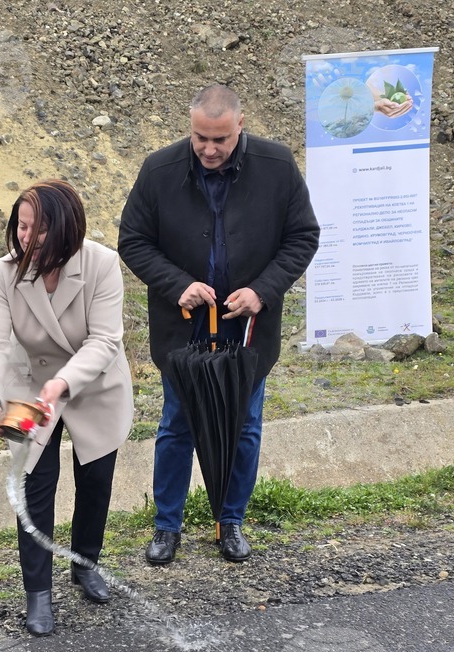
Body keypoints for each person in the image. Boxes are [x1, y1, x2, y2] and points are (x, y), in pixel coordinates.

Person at [118, 84, 320, 565]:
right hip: (182, 325)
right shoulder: (159, 169)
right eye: (200, 138)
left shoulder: (277, 165)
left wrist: (263, 291)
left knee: (244, 426)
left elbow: (303, 236)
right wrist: (176, 284)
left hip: (248, 328)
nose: (209, 149)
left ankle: (230, 522)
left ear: (240, 126)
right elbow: (134, 239)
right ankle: (167, 526)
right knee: (176, 426)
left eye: (220, 140)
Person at [0, 179, 133, 636]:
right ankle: (37, 594)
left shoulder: (102, 264)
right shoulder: (3, 272)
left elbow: (105, 340)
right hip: (28, 384)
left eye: (37, 230)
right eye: (21, 226)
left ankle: (85, 564)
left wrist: (64, 382)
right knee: (34, 484)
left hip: (93, 382)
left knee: (96, 481)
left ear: (65, 230)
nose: (25, 237)